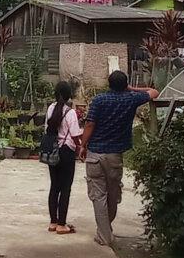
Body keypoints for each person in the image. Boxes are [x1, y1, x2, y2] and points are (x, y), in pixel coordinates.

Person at [79, 70, 159, 247]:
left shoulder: (99, 100)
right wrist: (131, 89)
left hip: (95, 154)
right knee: (113, 195)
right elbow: (154, 92)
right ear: (125, 85)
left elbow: (90, 123)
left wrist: (83, 145)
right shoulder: (130, 99)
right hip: (115, 156)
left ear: (108, 84)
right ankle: (106, 231)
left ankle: (104, 235)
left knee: (98, 196)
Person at [45, 80, 83, 235]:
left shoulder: (51, 108)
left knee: (54, 186)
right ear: (69, 95)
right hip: (66, 151)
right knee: (65, 187)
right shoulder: (70, 112)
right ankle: (62, 224)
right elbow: (75, 135)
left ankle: (53, 222)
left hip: (52, 151)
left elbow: (47, 129)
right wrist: (80, 147)